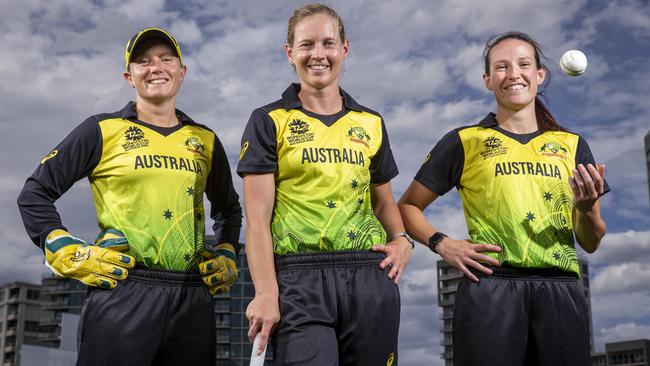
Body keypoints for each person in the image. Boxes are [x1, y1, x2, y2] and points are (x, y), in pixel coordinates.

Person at [17, 27, 242, 365]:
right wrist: (60, 244)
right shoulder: (102, 129)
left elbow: (228, 210)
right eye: (144, 61)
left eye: (167, 59)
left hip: (191, 296)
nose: (156, 67)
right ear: (129, 76)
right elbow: (35, 192)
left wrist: (227, 251)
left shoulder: (205, 140)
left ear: (182, 72)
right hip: (123, 287)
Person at [398, 31, 609, 366]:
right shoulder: (464, 141)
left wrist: (585, 209)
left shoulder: (571, 145)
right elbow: (406, 207)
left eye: (523, 64)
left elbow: (591, 240)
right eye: (501, 67)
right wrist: (442, 243)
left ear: (539, 75)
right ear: (487, 80)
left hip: (561, 292)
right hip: (491, 291)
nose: (513, 73)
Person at [238, 4, 412, 365]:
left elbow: (383, 202)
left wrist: (402, 240)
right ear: (290, 53)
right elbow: (257, 217)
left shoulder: (371, 122)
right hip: (299, 279)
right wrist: (266, 291)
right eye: (306, 45)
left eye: (328, 44)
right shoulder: (268, 120)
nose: (318, 55)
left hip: (368, 275)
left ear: (343, 49)